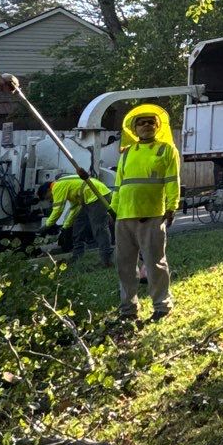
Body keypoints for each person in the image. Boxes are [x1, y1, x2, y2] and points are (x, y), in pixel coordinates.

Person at [112, 103, 179, 324]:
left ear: (158, 126)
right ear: (134, 129)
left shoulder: (166, 150)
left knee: (154, 263)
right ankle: (127, 309)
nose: (147, 125)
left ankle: (162, 305)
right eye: (141, 123)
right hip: (124, 216)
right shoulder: (127, 153)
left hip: (151, 215)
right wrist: (114, 210)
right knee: (125, 265)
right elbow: (118, 184)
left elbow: (172, 181)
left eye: (151, 122)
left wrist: (172, 206)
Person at [44, 169, 114, 265]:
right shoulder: (65, 185)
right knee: (78, 225)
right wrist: (66, 227)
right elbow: (74, 208)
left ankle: (106, 260)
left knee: (99, 228)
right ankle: (77, 256)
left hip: (97, 195)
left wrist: (47, 225)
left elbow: (58, 210)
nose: (50, 199)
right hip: (90, 197)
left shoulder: (57, 186)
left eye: (48, 197)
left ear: (48, 190)